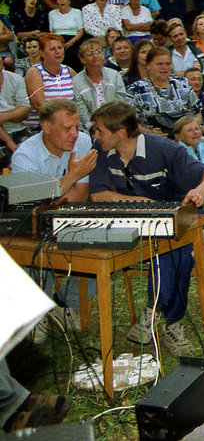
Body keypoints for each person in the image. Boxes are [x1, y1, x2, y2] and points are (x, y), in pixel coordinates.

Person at [88, 100, 204, 355]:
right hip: (140, 218)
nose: (94, 135)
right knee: (173, 251)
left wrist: (199, 191)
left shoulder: (163, 148)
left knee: (173, 247)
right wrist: (140, 203)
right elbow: (98, 194)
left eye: (100, 130)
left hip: (180, 214)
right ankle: (172, 321)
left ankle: (155, 311)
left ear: (120, 133)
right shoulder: (101, 150)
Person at [12, 98, 97, 340]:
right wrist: (73, 175)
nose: (74, 134)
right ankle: (36, 311)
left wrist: (56, 195)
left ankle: (65, 303)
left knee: (99, 242)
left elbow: (81, 193)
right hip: (33, 226)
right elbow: (33, 205)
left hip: (71, 216)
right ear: (46, 127)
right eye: (66, 128)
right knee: (34, 249)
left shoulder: (82, 141)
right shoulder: (24, 157)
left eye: (77, 126)